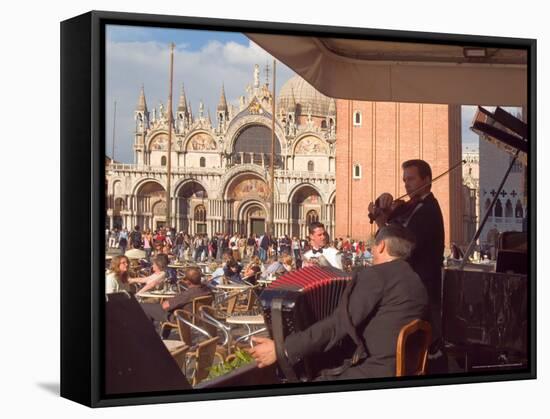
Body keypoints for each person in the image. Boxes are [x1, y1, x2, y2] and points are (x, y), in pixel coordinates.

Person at [249, 225, 429, 380]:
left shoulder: (376, 275)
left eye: (374, 246)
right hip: (406, 368)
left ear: (381, 246)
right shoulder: (416, 280)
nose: (372, 251)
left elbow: (340, 324)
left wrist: (284, 349)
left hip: (375, 371)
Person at [368, 159, 444, 355]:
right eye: (404, 180)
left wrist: (382, 223)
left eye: (411, 179)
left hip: (419, 294)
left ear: (426, 180)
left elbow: (399, 249)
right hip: (409, 288)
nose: (406, 184)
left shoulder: (428, 210)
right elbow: (392, 224)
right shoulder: (411, 206)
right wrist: (383, 202)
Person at [140, 267, 212, 338]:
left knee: (144, 307)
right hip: (199, 317)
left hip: (181, 318)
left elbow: (165, 306)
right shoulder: (207, 290)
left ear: (187, 281)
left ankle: (147, 337)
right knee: (159, 308)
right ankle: (163, 337)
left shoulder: (188, 294)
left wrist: (170, 300)